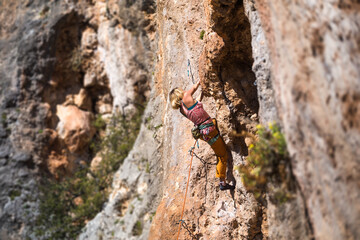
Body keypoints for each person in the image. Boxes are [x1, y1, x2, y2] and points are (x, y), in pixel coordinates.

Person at [169, 81, 235, 191]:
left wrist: (202, 94)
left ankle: (222, 180)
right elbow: (194, 87)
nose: (184, 90)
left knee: (219, 152)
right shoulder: (186, 96)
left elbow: (196, 105)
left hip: (205, 132)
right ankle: (222, 183)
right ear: (179, 93)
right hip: (209, 130)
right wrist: (201, 81)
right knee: (222, 156)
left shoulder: (182, 109)